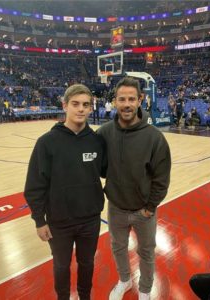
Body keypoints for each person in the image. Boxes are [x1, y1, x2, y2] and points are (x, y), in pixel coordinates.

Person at [24, 84, 107, 300]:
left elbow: (109, 173)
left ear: (91, 108)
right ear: (65, 106)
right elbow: (34, 185)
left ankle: (84, 296)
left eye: (86, 105)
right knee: (61, 265)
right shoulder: (47, 142)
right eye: (75, 104)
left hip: (90, 219)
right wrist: (39, 220)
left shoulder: (97, 141)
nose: (81, 109)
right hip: (59, 221)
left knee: (87, 263)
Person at [98, 77, 171, 300]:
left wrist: (150, 208)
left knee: (146, 252)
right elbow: (98, 167)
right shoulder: (104, 133)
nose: (127, 104)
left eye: (132, 99)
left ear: (141, 100)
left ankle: (146, 290)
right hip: (117, 209)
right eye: (122, 99)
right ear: (115, 102)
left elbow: (161, 178)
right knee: (118, 248)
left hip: (144, 211)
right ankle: (124, 280)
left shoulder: (154, 137)